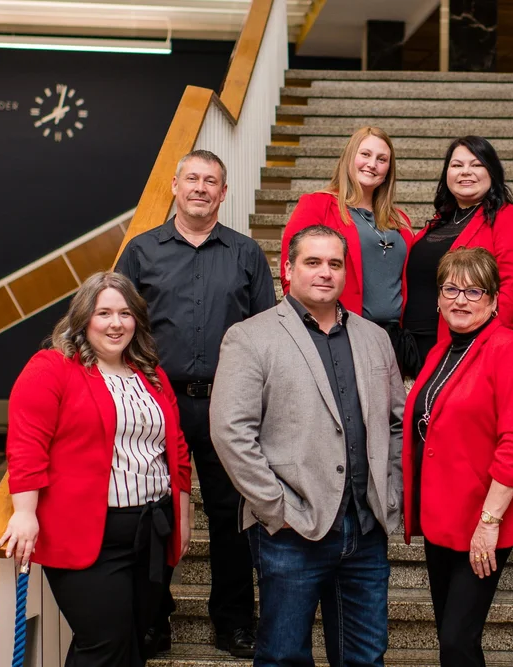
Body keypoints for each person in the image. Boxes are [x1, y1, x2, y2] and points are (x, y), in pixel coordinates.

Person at [210, 225, 404, 667]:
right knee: (283, 657)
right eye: (312, 262)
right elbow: (230, 432)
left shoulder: (375, 338)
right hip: (291, 533)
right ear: (288, 270)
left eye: (335, 264)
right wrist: (277, 509)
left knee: (365, 657)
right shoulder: (251, 337)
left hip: (366, 527)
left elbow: (396, 423)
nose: (325, 273)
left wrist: (390, 494)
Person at [116, 149, 276, 658]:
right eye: (193, 179)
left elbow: (266, 331)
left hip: (229, 405)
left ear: (224, 193)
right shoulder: (141, 251)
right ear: (175, 186)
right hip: (157, 405)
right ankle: (152, 620)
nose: (201, 188)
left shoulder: (246, 253)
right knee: (154, 513)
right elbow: (112, 320)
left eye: (211, 180)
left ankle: (233, 623)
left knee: (233, 518)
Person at [0, 271, 192, 667]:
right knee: (104, 642)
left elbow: (177, 449)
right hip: (88, 535)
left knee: (135, 640)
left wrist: (183, 517)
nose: (116, 323)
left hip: (153, 531)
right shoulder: (52, 367)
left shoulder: (151, 376)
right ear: (83, 318)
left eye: (125, 313)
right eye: (104, 312)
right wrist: (24, 513)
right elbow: (26, 443)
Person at [404, 247, 513, 666]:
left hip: (481, 520)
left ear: (495, 300)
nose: (460, 300)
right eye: (451, 289)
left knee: (458, 640)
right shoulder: (440, 354)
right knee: (453, 638)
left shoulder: (509, 348)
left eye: (474, 291)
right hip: (440, 519)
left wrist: (489, 523)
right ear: (439, 299)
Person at [279, 127, 416, 372]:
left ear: (388, 170)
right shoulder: (317, 205)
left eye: (381, 159)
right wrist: (312, 328)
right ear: (350, 157)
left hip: (393, 338)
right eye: (365, 154)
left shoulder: (401, 221)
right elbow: (291, 272)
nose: (372, 164)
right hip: (338, 332)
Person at [403, 136, 513, 372]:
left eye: (476, 165)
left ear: (492, 172)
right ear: (447, 173)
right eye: (457, 165)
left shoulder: (511, 219)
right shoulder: (436, 224)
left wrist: (473, 351)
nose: (466, 172)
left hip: (468, 352)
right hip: (414, 351)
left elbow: (512, 295)